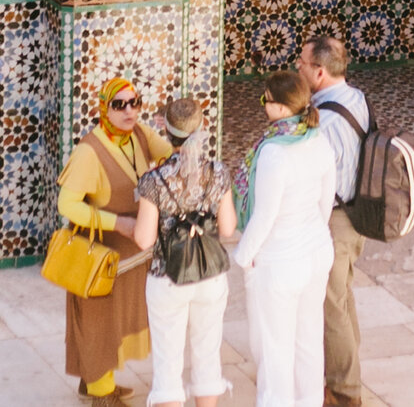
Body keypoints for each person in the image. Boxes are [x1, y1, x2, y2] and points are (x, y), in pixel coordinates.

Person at [59, 77, 173, 403]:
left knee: (117, 319)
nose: (129, 111)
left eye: (134, 102)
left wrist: (181, 134)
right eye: (119, 105)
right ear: (104, 108)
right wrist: (116, 222)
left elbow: (170, 154)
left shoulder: (138, 133)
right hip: (100, 256)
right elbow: (66, 205)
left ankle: (94, 379)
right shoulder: (89, 151)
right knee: (98, 321)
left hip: (129, 253)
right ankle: (101, 393)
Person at [235, 69, 336, 407]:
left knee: (274, 349)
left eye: (265, 100)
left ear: (279, 108)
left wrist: (243, 256)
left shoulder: (274, 153)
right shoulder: (319, 139)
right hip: (316, 252)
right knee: (308, 341)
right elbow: (325, 204)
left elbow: (265, 215)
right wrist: (311, 236)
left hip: (280, 262)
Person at [130, 96, 237, 407]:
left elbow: (144, 239)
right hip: (210, 276)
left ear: (166, 130)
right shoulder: (218, 172)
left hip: (167, 279)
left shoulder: (153, 181)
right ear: (201, 128)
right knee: (207, 355)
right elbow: (228, 228)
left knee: (167, 364)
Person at [295, 34, 366, 407]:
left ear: (319, 72)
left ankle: (344, 393)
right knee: (342, 297)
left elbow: (322, 182)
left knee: (332, 305)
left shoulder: (325, 120)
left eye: (302, 64)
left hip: (335, 222)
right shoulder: (355, 97)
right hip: (355, 218)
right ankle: (346, 373)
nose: (299, 68)